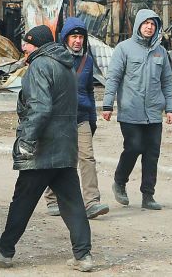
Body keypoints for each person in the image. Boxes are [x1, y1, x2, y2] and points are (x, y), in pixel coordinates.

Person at [0, 25, 94, 272]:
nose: (24, 48)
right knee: (72, 203)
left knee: (23, 200)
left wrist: (27, 142)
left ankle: (4, 250)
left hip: (43, 149)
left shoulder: (40, 66)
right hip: (65, 147)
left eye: (27, 44)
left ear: (37, 44)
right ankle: (83, 256)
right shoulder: (66, 65)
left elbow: (39, 108)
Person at [101, 9, 172, 211]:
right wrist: (108, 105)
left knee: (152, 153)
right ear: (138, 25)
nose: (149, 27)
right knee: (134, 147)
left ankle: (148, 195)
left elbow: (167, 82)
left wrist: (170, 108)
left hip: (153, 114)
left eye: (153, 24)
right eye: (146, 23)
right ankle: (120, 181)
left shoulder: (161, 52)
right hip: (130, 111)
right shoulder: (124, 49)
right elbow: (113, 78)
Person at [44, 17, 109, 219]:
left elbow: (89, 90)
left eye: (81, 37)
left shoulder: (88, 60)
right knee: (60, 159)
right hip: (61, 118)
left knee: (87, 158)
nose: (78, 41)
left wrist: (92, 118)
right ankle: (52, 198)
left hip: (81, 118)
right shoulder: (56, 58)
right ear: (66, 38)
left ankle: (91, 202)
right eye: (74, 36)